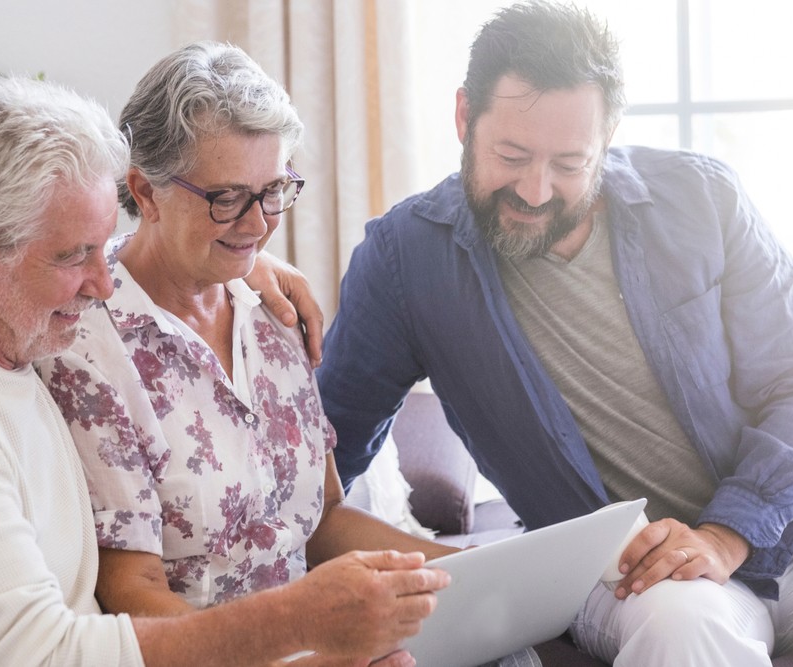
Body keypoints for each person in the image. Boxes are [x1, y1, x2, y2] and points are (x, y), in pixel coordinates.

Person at [315, 1, 793, 665]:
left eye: (570, 163)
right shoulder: (405, 260)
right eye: (512, 156)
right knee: (679, 629)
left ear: (607, 137)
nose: (536, 190)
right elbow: (321, 453)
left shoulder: (701, 197)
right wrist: (243, 264)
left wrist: (725, 535)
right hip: (630, 575)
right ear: (464, 117)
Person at [0, 75, 452, 667]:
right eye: (74, 256)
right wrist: (300, 632)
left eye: (101, 247)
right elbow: (39, 657)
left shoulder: (2, 345)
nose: (102, 285)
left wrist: (237, 259)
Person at [32, 41, 541, 667]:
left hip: (322, 641)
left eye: (274, 189)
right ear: (147, 191)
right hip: (227, 654)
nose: (257, 223)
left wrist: (473, 573)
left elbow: (321, 519)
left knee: (509, 646)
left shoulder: (272, 312)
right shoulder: (88, 342)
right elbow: (131, 593)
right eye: (226, 197)